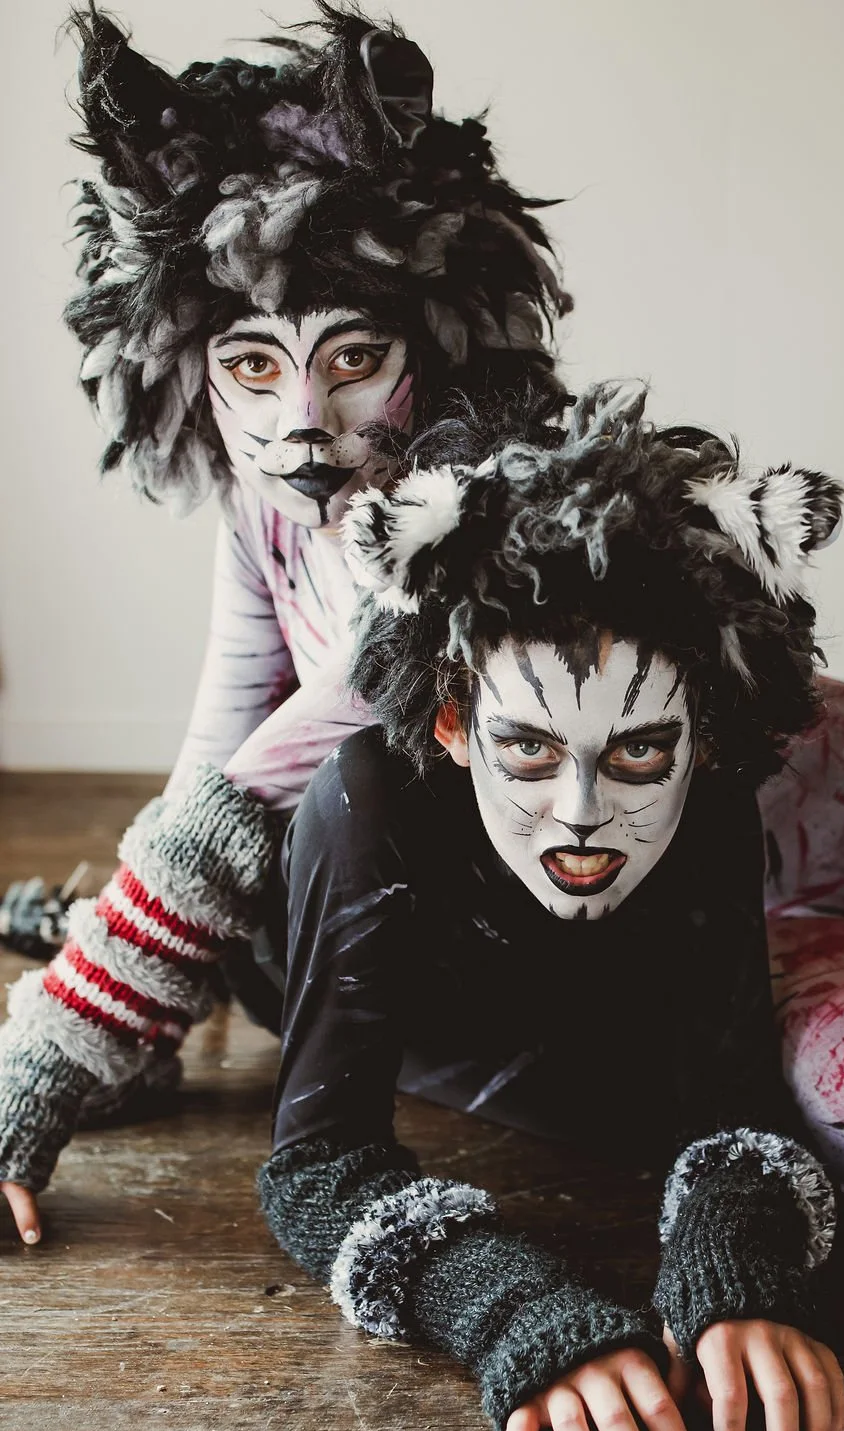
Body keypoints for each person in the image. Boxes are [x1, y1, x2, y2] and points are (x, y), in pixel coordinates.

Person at [0, 1, 569, 1237]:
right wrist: (127, 1003)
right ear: (187, 368)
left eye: (354, 358)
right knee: (285, 858)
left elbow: (250, 795)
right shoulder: (262, 511)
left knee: (349, 782)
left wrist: (52, 1049)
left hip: (538, 939)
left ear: (434, 340)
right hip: (371, 913)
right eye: (254, 367)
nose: (303, 425)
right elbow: (217, 759)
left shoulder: (469, 517)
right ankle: (121, 963)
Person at [257, 380, 844, 1431]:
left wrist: (736, 1263)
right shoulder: (371, 805)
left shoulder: (715, 804)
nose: (581, 813)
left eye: (638, 753)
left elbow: (733, 1095)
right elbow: (317, 1162)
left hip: (561, 1042)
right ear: (451, 719)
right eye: (527, 748)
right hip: (311, 972)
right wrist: (513, 1307)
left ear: (705, 734)